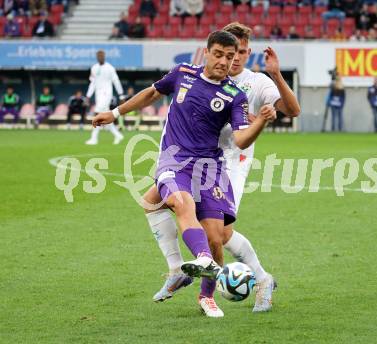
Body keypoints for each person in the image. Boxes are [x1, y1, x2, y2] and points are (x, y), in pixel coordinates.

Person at [92, 30, 277, 318]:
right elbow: (152, 92)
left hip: (210, 168)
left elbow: (241, 141)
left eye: (230, 57)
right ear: (206, 52)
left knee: (216, 238)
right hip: (174, 161)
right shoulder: (182, 73)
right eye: (219, 54)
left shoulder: (234, 95)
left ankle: (206, 294)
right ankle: (187, 264)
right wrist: (115, 113)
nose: (224, 61)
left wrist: (263, 121)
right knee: (178, 202)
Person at [143, 22, 300, 313]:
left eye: (240, 52)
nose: (234, 58)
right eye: (229, 52)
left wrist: (276, 75)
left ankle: (261, 279)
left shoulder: (256, 83)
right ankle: (177, 268)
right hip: (191, 159)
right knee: (153, 200)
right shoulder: (198, 75)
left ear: (247, 53)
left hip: (230, 164)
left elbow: (292, 111)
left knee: (220, 236)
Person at [85, 50, 124, 145]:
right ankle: (118, 135)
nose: (100, 57)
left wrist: (121, 94)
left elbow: (116, 81)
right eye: (98, 56)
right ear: (97, 57)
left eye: (102, 56)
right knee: (105, 116)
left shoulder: (110, 68)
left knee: (98, 114)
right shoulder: (94, 68)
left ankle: (94, 138)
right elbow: (92, 84)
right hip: (98, 95)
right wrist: (88, 96)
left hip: (106, 94)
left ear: (104, 56)